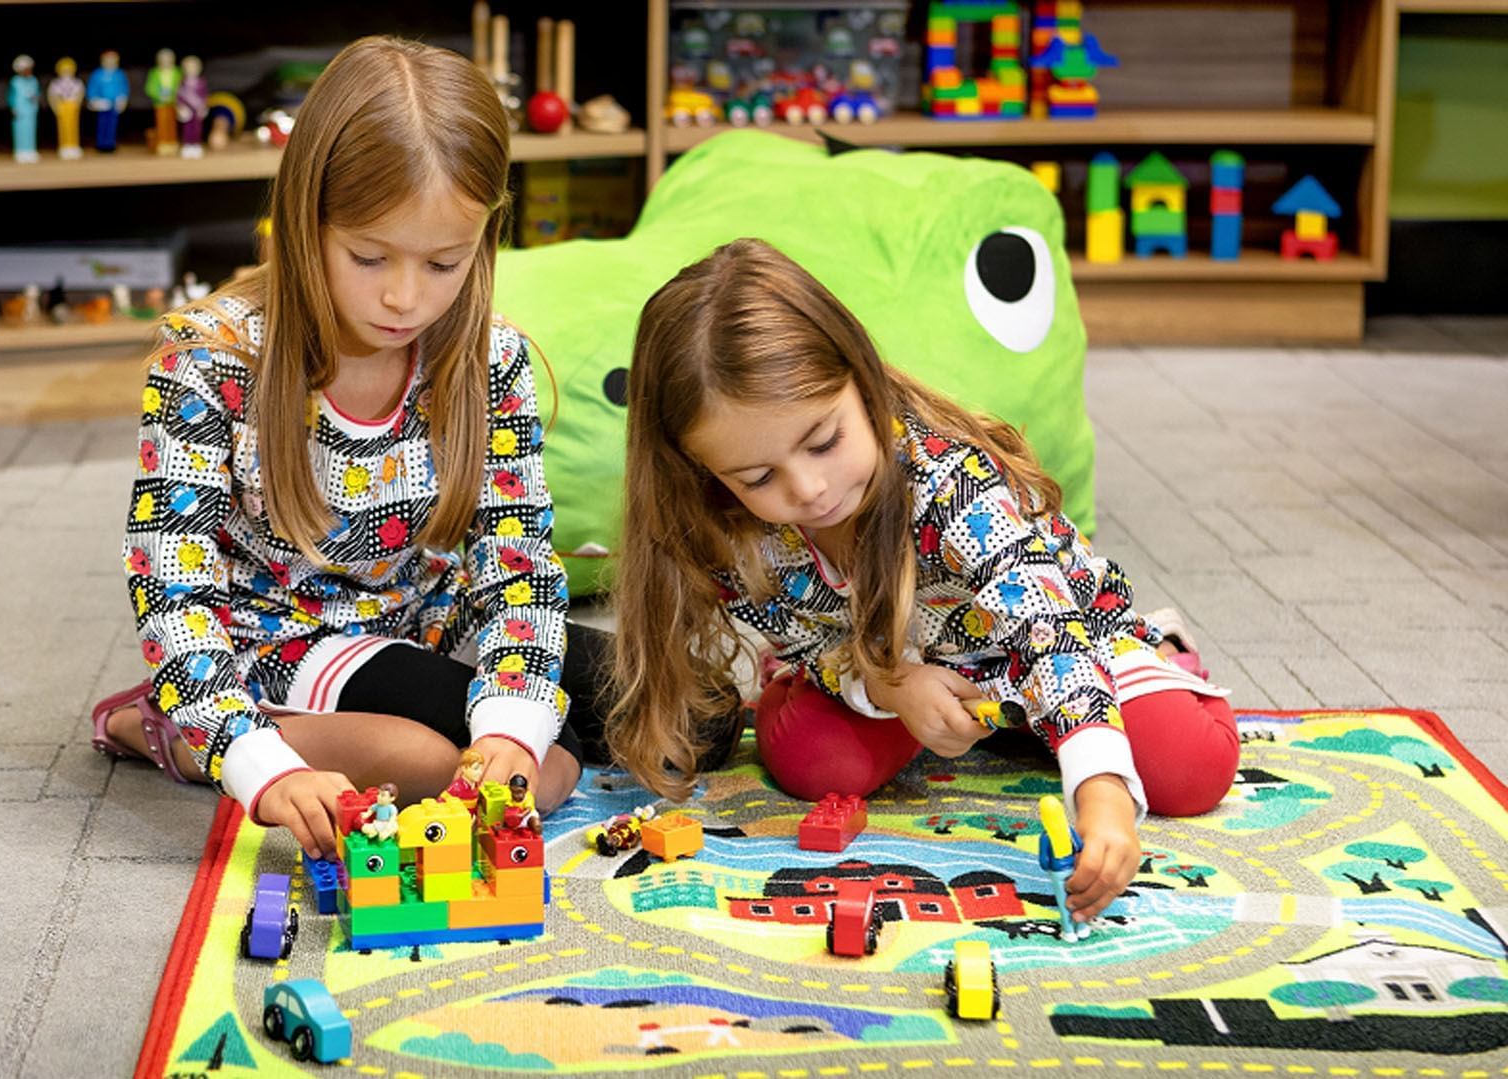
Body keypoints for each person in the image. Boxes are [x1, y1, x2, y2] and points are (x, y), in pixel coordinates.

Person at [89, 36, 617, 861]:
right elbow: (171, 588)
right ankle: (173, 729)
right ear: (307, 220)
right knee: (444, 763)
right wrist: (260, 767)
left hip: (423, 621)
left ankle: (438, 726)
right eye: (369, 257)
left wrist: (512, 727)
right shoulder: (209, 360)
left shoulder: (488, 359)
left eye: (444, 262)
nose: (405, 297)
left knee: (645, 710)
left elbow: (518, 565)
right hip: (273, 637)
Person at [606, 238, 1239, 925]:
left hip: (1060, 641)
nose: (810, 488)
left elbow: (1046, 631)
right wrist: (884, 683)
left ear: (862, 378)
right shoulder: (731, 529)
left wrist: (1104, 787)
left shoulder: (950, 482)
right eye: (758, 477)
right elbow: (799, 643)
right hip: (907, 671)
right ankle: (1010, 724)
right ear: (706, 473)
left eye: (824, 440)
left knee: (1186, 766)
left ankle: (1159, 662)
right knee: (804, 756)